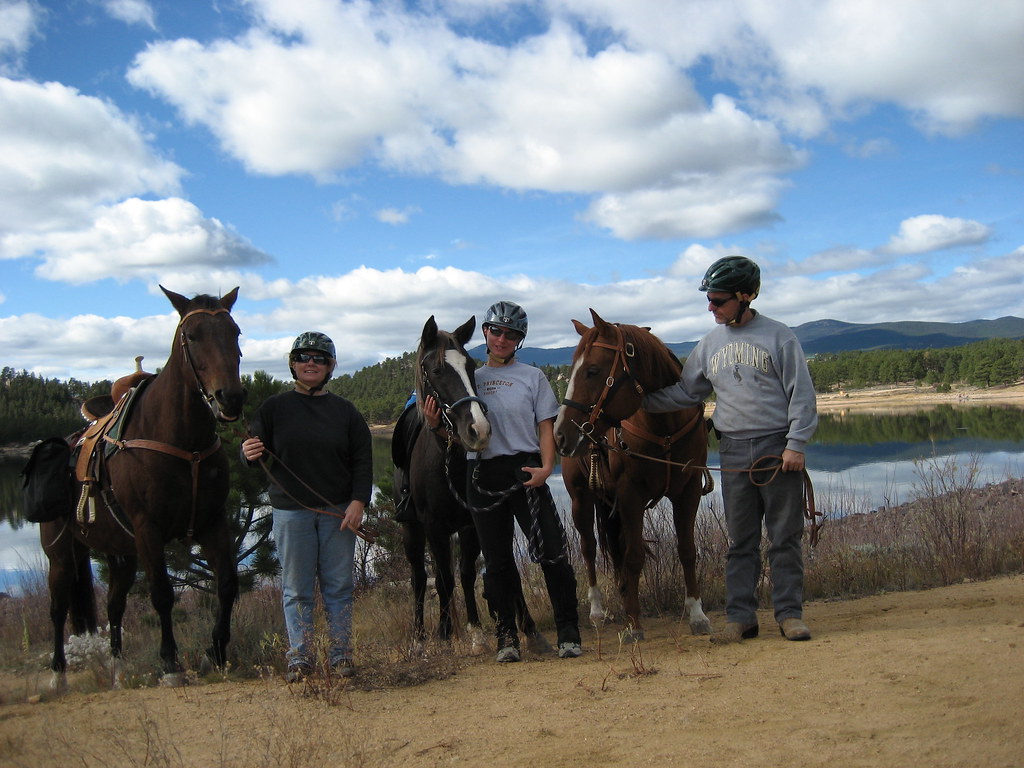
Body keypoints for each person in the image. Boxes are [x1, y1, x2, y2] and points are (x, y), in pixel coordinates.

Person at [643, 256, 818, 644]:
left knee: (785, 537)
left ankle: (790, 615)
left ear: (746, 296)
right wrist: (640, 403)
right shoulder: (708, 344)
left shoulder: (780, 337)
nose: (711, 307)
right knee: (741, 541)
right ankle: (742, 617)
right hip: (734, 450)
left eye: (718, 300)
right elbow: (688, 392)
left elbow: (801, 395)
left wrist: (796, 444)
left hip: (777, 450)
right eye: (709, 299)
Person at [423, 301, 582, 663]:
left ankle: (568, 631)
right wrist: (433, 425)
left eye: (511, 334)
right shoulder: (471, 378)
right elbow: (456, 431)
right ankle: (506, 635)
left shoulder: (533, 377)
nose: (502, 339)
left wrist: (546, 468)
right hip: (482, 473)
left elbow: (546, 427)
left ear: (519, 340)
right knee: (496, 562)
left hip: (525, 471)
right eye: (496, 331)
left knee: (552, 553)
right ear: (486, 333)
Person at [241, 331, 373, 679]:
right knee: (296, 590)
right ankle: (300, 656)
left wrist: (359, 502)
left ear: (331, 366)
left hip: (338, 513)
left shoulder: (346, 412)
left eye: (319, 358)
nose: (310, 363)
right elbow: (255, 453)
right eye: (303, 357)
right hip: (291, 513)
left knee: (339, 587)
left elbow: (363, 461)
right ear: (293, 364)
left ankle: (341, 655)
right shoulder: (273, 408)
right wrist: (247, 455)